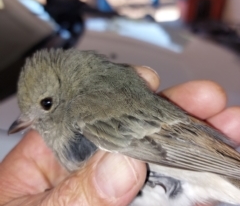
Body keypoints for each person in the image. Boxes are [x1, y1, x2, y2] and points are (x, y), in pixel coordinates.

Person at [0, 66, 239, 206]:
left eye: (47, 103)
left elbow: (174, 143)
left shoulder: (89, 112)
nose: (24, 121)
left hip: (201, 172)